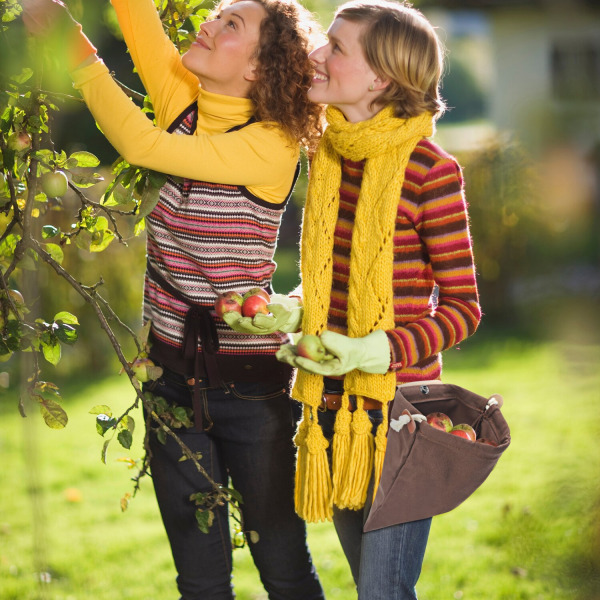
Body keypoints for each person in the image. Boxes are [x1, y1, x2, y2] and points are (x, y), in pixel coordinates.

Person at [22, 1, 326, 599]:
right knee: (200, 579)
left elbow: (137, 144)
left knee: (284, 566)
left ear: (260, 70)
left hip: (251, 388)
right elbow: (136, 14)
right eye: (215, 14)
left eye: (231, 24)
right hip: (170, 383)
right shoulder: (187, 101)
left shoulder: (271, 144)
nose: (206, 24)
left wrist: (74, 49)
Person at [273, 1, 482, 598]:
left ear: (382, 78)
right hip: (334, 413)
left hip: (398, 419)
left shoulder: (429, 171)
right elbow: (331, 282)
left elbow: (464, 309)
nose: (318, 53)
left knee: (382, 594)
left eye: (337, 47)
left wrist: (374, 350)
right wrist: (295, 308)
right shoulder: (331, 156)